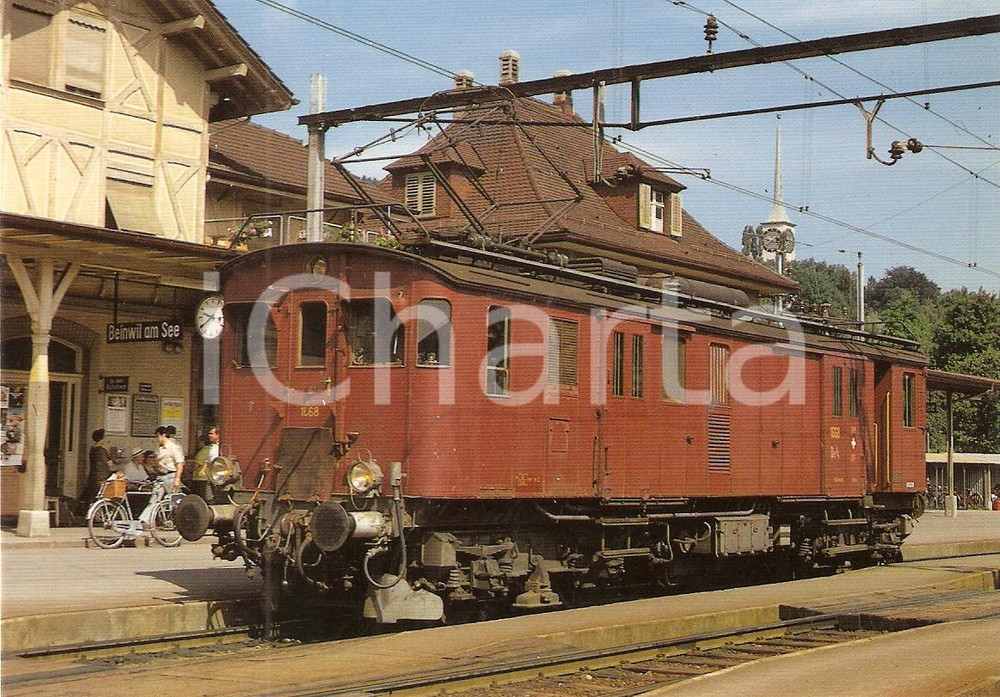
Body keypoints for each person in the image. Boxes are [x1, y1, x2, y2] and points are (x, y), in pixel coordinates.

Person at [82, 429, 113, 503]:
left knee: (93, 498)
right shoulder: (101, 450)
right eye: (105, 436)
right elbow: (109, 464)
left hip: (93, 477)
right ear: (101, 438)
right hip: (102, 477)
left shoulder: (93, 449)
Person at [191, 426, 220, 501]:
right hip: (209, 478)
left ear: (217, 435)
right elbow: (208, 461)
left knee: (208, 498)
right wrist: (203, 470)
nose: (209, 435)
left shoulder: (218, 447)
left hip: (215, 477)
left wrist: (202, 470)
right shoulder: (212, 447)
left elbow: (212, 462)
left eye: (211, 434)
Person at [154, 425, 184, 493]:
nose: (156, 439)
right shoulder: (159, 448)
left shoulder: (173, 447)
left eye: (158, 436)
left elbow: (180, 463)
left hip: (170, 476)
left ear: (163, 435)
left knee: (172, 499)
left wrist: (177, 479)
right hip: (160, 476)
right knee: (155, 499)